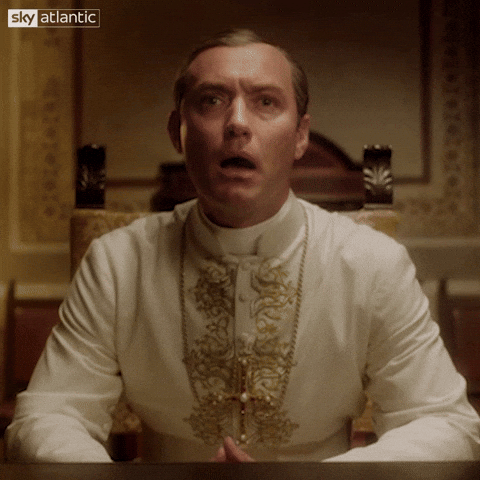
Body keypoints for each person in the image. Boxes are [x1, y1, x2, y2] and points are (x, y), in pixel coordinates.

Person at [6, 29, 480, 463]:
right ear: (178, 132)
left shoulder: (373, 263)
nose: (236, 123)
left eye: (265, 102)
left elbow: (446, 425)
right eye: (211, 101)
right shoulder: (116, 263)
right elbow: (45, 418)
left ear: (300, 135)